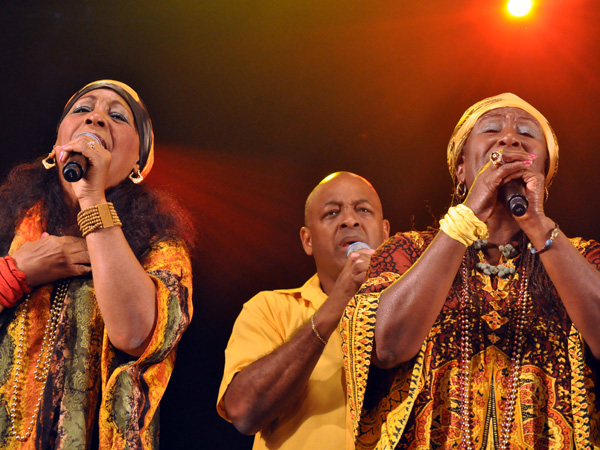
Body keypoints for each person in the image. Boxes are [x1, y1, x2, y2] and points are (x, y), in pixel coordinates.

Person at [341, 93, 600, 449]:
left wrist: (537, 225)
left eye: (526, 133)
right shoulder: (408, 253)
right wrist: (468, 215)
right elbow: (386, 346)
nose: (509, 138)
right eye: (492, 129)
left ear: (543, 172)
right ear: (462, 168)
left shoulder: (583, 258)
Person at [0, 80, 194, 449]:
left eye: (117, 116)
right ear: (59, 141)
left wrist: (91, 195)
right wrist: (15, 273)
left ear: (139, 163)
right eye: (82, 109)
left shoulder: (159, 246)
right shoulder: (7, 223)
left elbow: (134, 334)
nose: (96, 118)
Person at [217, 172, 390, 449]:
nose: (350, 220)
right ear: (307, 240)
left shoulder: (417, 311)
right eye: (332, 213)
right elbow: (243, 411)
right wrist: (338, 301)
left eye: (363, 210)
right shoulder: (268, 309)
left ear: (385, 232)